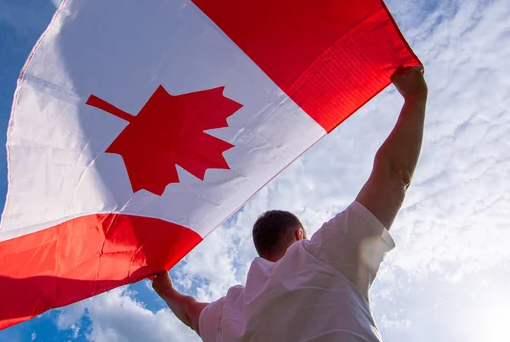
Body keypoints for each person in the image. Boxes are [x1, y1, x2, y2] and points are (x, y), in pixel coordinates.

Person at [151, 66, 428, 341]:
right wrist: (415, 97)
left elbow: (189, 313)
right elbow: (394, 176)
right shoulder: (321, 256)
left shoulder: (228, 313)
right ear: (299, 235)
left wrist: (165, 290)